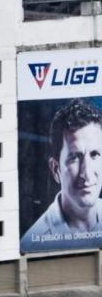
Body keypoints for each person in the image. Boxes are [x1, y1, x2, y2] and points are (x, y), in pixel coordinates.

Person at [23, 99, 102, 248]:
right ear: (55, 169)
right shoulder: (32, 244)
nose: (86, 173)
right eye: (74, 157)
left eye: (95, 154)